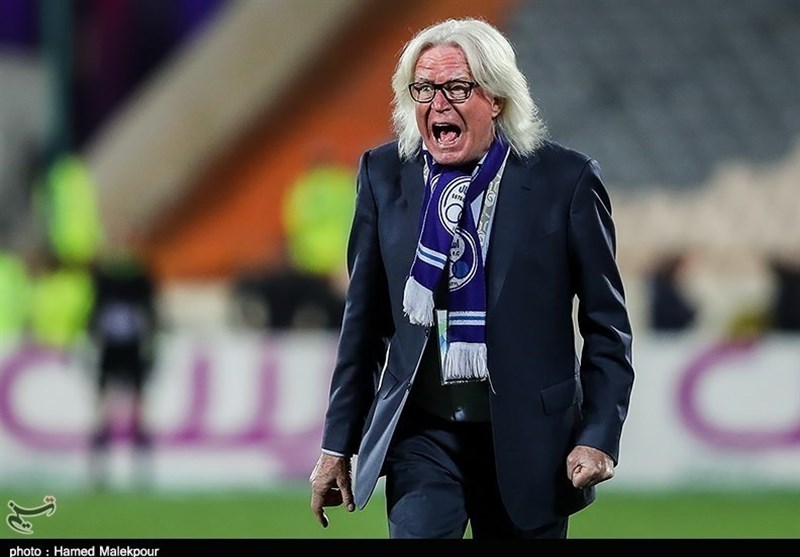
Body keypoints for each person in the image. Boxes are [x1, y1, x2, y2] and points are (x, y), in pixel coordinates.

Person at [309, 18, 634, 539]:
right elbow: (364, 325)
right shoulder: (383, 175)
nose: (438, 103)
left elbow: (607, 326)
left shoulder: (565, 180)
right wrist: (336, 445)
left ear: (497, 98)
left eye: (457, 88)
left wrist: (598, 435)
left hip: (530, 438)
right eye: (423, 88)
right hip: (423, 435)